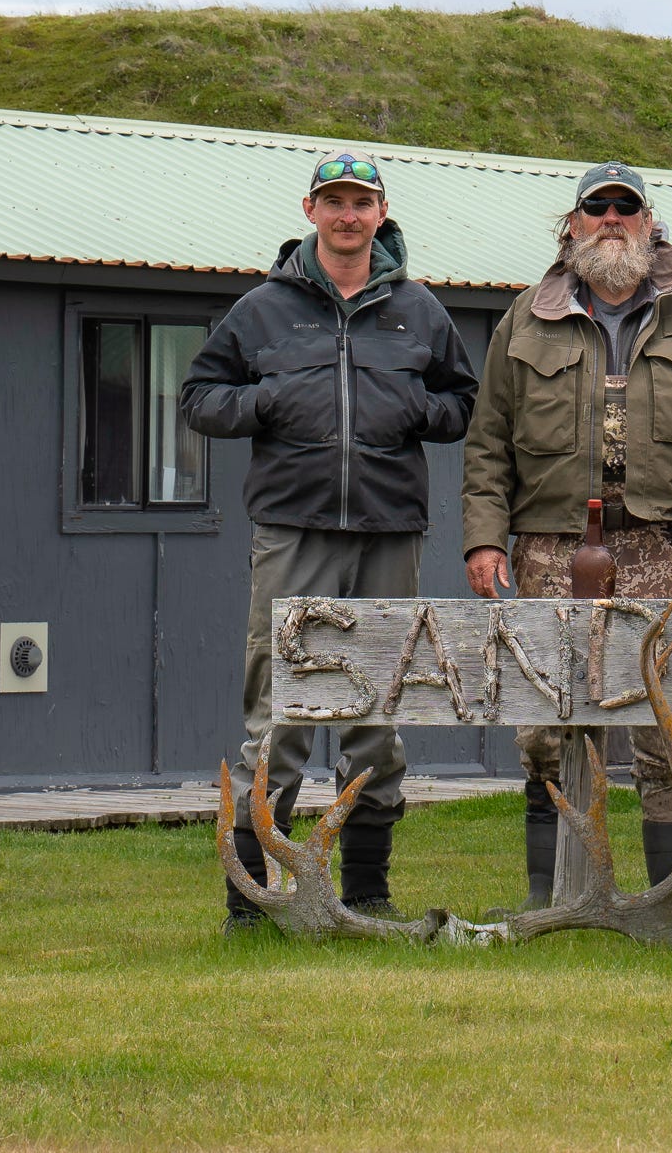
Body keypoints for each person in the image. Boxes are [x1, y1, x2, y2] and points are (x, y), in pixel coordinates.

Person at [183, 148, 478, 931]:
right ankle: (249, 900)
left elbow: (463, 403)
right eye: (334, 201)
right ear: (309, 210)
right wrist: (270, 399)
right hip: (292, 528)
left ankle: (369, 888)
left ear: (382, 213)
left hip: (389, 529)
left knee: (377, 705)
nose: (349, 215)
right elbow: (199, 397)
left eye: (363, 202)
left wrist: (417, 408)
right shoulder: (262, 309)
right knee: (277, 708)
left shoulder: (419, 308)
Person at [462, 161, 672, 907]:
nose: (613, 219)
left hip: (661, 548)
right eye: (598, 208)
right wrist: (484, 539)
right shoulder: (525, 316)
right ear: (572, 224)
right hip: (550, 547)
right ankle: (555, 900)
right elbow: (488, 441)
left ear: (651, 223)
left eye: (627, 207)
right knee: (551, 724)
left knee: (669, 729)